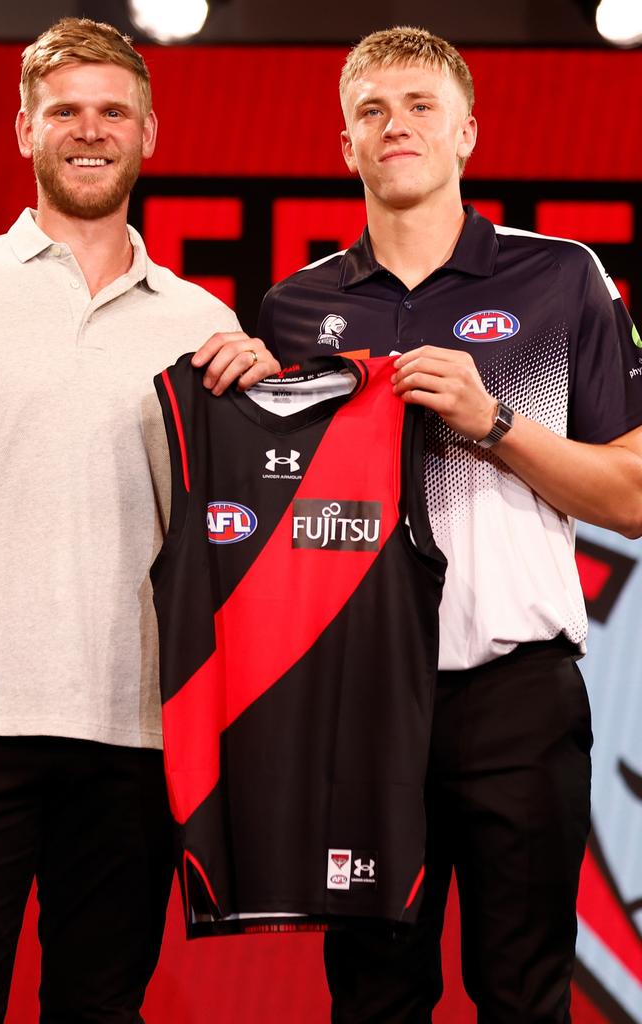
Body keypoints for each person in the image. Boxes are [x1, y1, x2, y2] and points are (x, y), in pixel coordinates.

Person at [0, 17, 274, 1023]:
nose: (88, 130)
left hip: (135, 732)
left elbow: (247, 541)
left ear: (149, 133)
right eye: (65, 111)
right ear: (23, 129)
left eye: (111, 112)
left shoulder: (204, 323)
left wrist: (267, 409)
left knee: (101, 1009)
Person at [252, 26, 642, 1024]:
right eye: (372, 110)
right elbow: (269, 523)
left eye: (421, 105)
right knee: (374, 1002)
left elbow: (633, 495)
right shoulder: (295, 311)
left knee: (523, 996)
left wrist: (494, 421)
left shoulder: (563, 280)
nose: (397, 125)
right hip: (358, 701)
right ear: (345, 146)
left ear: (469, 130)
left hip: (520, 697)